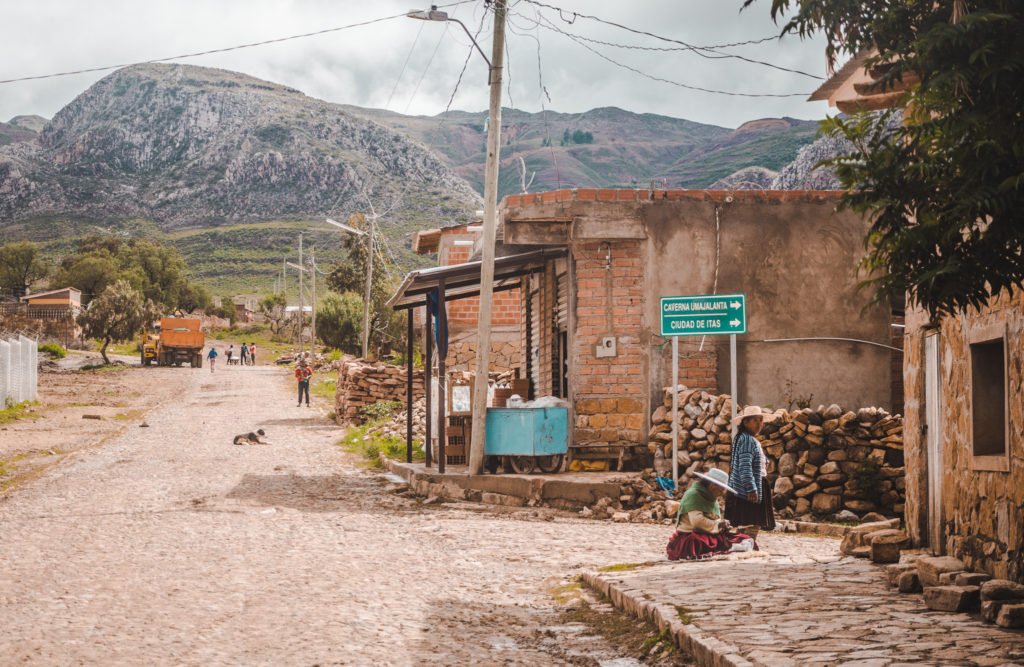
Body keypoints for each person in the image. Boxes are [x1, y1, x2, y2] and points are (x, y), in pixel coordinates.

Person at [666, 468, 756, 561]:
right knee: (699, 542)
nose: (722, 493)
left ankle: (732, 547)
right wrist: (718, 524)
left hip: (708, 531)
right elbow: (697, 522)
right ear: (713, 486)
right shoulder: (693, 495)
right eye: (721, 490)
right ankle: (731, 548)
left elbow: (715, 519)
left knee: (741, 538)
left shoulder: (712, 497)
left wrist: (722, 524)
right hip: (690, 534)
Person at [725, 406, 779, 532]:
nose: (759, 424)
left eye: (761, 420)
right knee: (751, 523)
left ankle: (746, 542)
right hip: (749, 489)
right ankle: (749, 542)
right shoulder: (747, 440)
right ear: (745, 422)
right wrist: (751, 488)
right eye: (755, 420)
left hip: (747, 486)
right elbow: (745, 466)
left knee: (746, 523)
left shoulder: (745, 438)